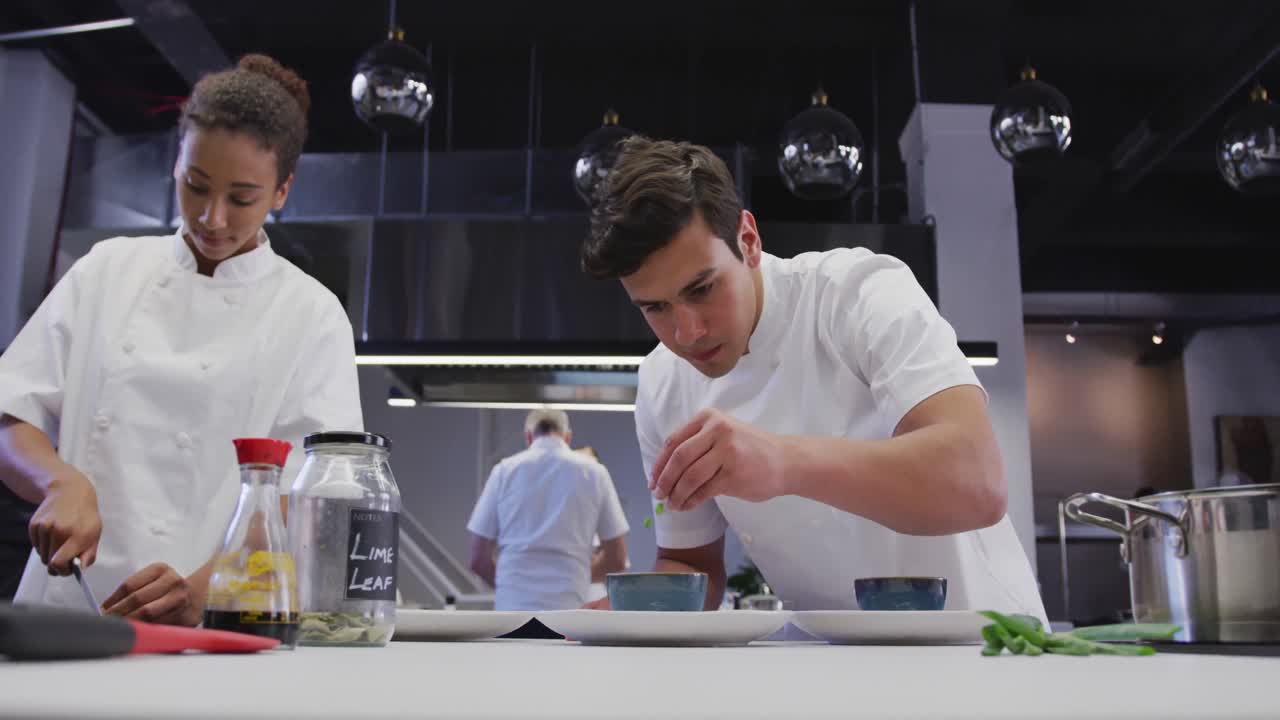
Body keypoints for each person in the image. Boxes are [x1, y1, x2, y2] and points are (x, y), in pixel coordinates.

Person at [579, 136, 1047, 622]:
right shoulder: (661, 382)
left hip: (980, 645)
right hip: (832, 661)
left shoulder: (858, 293)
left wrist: (781, 461)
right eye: (655, 308)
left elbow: (976, 482)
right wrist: (623, 610)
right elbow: (692, 562)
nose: (687, 332)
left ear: (748, 240)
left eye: (703, 288)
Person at [0, 54, 363, 624]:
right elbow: (10, 412)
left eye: (242, 198)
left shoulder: (311, 314)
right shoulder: (107, 270)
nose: (212, 218)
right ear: (177, 165)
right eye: (195, 186)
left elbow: (319, 500)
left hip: (211, 618)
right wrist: (59, 482)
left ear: (282, 192)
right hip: (66, 604)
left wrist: (213, 585)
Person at [467, 409, 629, 619]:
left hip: (511, 610)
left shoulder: (503, 471)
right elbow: (617, 559)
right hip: (570, 611)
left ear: (528, 436)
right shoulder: (595, 473)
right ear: (568, 437)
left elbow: (477, 560)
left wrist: (510, 585)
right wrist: (576, 574)